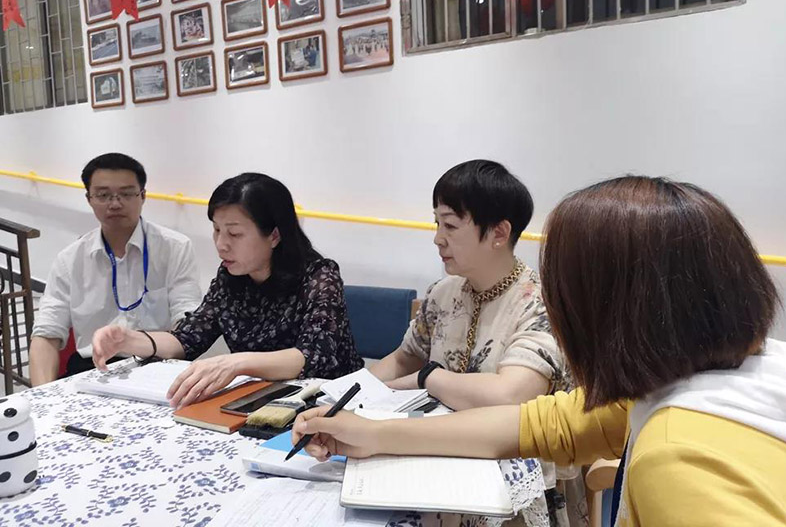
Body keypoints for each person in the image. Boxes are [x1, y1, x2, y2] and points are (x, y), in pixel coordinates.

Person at [293, 176, 786, 526]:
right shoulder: (725, 376)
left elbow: (515, 400)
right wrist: (371, 434)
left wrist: (425, 381)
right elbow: (537, 424)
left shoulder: (681, 460)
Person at [370, 159, 575, 525]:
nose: (437, 238)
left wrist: (428, 378)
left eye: (450, 225)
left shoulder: (541, 303)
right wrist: (347, 392)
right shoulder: (443, 293)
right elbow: (403, 358)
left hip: (509, 481)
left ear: (498, 233)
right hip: (435, 454)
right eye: (437, 223)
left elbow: (511, 396)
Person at [92, 173, 364, 409]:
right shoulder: (230, 277)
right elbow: (187, 339)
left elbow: (312, 356)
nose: (221, 244)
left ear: (274, 235)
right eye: (216, 230)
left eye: (234, 234)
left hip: (328, 405)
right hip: (257, 401)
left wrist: (236, 363)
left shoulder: (319, 277)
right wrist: (129, 339)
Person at [30, 153, 202, 386]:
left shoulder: (174, 248)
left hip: (158, 365)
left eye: (126, 194)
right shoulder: (70, 259)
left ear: (143, 196)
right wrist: (41, 396)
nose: (115, 203)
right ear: (89, 199)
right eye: (103, 195)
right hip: (92, 368)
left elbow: (187, 322)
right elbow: (46, 332)